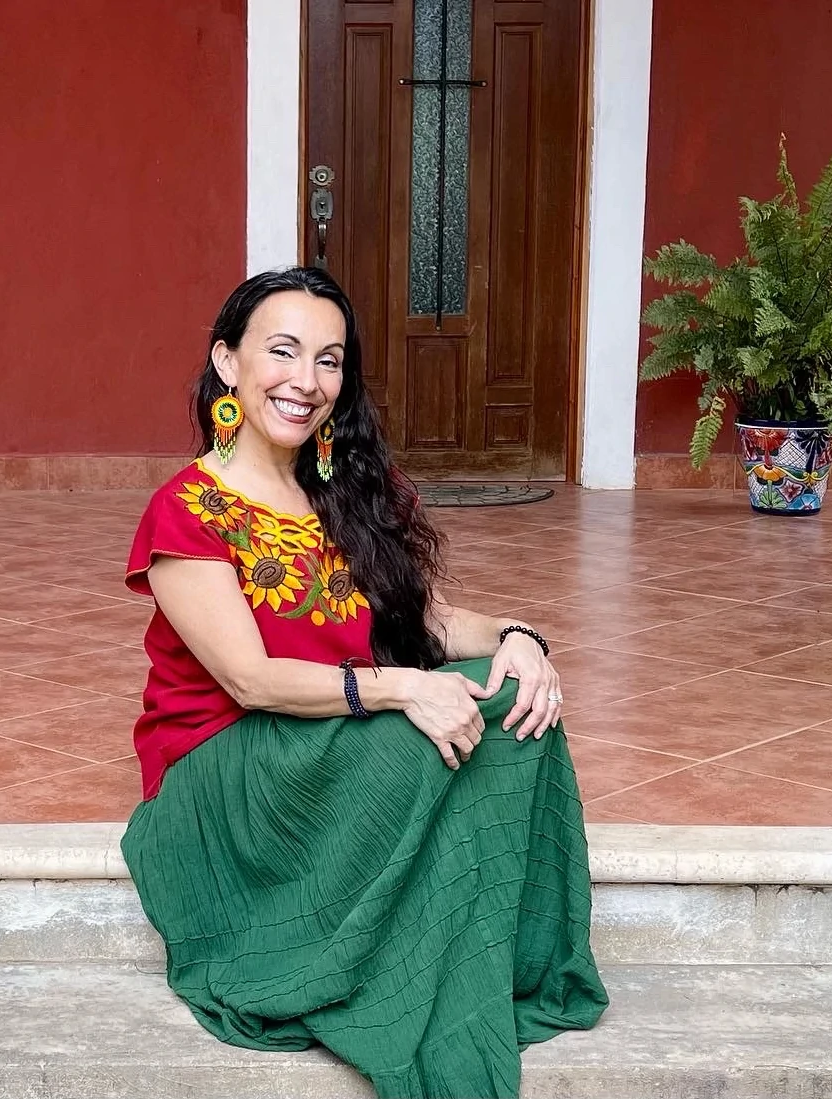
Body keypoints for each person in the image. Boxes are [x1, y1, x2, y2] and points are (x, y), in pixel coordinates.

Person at [121, 266, 608, 1099]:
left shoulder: (344, 490)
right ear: (228, 364)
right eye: (282, 351)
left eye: (329, 360)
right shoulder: (187, 510)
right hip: (229, 770)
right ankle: (361, 956)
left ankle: (473, 961)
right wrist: (399, 688)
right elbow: (249, 679)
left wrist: (521, 639)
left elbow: (433, 619)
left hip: (329, 732)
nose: (305, 381)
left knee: (514, 709)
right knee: (421, 741)